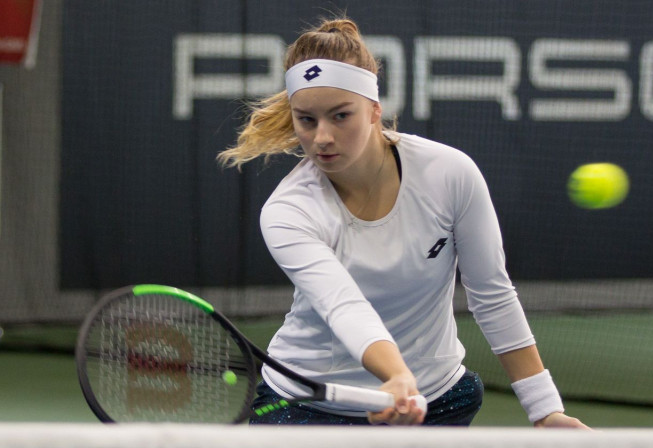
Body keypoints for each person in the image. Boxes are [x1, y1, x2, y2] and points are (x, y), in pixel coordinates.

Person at [218, 16, 588, 428]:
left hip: (436, 398)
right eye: (307, 119)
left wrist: (545, 409)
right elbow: (344, 305)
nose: (322, 137)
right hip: (308, 406)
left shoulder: (450, 173)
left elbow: (492, 294)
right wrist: (396, 373)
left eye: (340, 116)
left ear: (375, 109)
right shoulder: (289, 211)